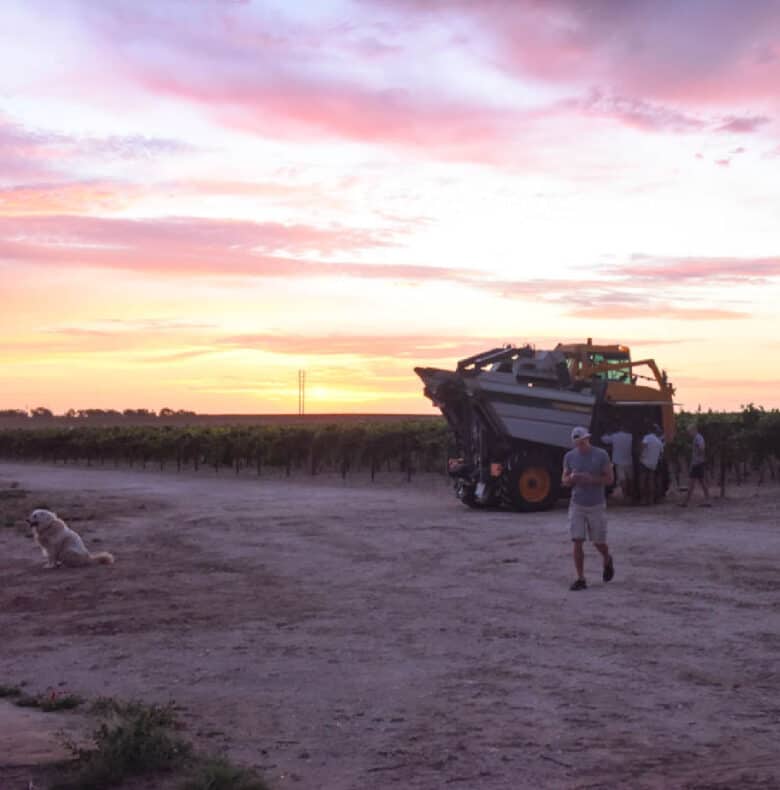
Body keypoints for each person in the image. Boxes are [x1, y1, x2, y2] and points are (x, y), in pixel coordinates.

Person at [562, 426, 615, 591]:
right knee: (577, 540)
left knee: (599, 542)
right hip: (577, 503)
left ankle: (607, 558)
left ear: (588, 439)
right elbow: (564, 478)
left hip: (596, 504)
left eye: (582, 442)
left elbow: (609, 479)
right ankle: (580, 578)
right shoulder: (569, 457)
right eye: (577, 443)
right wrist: (571, 478)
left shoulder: (601, 455)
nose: (580, 446)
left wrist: (591, 479)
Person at [600, 426, 634, 502]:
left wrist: (607, 433)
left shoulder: (615, 436)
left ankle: (625, 496)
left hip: (619, 461)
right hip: (629, 460)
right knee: (630, 479)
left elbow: (603, 439)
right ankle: (631, 495)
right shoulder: (630, 436)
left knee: (622, 480)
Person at [681, 423, 711, 507]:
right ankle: (707, 500)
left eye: (689, 431)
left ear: (694, 430)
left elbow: (701, 448)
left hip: (697, 463)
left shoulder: (698, 438)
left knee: (692, 483)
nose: (688, 433)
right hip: (698, 462)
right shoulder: (697, 438)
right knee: (701, 482)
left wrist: (699, 456)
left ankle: (685, 502)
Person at [639, 427, 664, 505]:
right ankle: (651, 500)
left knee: (642, 480)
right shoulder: (659, 442)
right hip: (653, 463)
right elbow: (661, 453)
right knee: (651, 481)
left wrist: (641, 454)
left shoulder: (647, 437)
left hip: (644, 462)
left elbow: (643, 444)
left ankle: (643, 499)